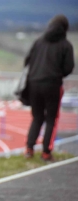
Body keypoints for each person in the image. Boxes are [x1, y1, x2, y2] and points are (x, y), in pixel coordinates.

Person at [24, 14, 75, 161]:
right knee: (52, 118)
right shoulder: (66, 45)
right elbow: (68, 68)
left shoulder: (39, 42)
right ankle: (46, 152)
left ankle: (29, 148)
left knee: (37, 117)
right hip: (52, 85)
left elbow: (27, 61)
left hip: (34, 84)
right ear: (65, 28)